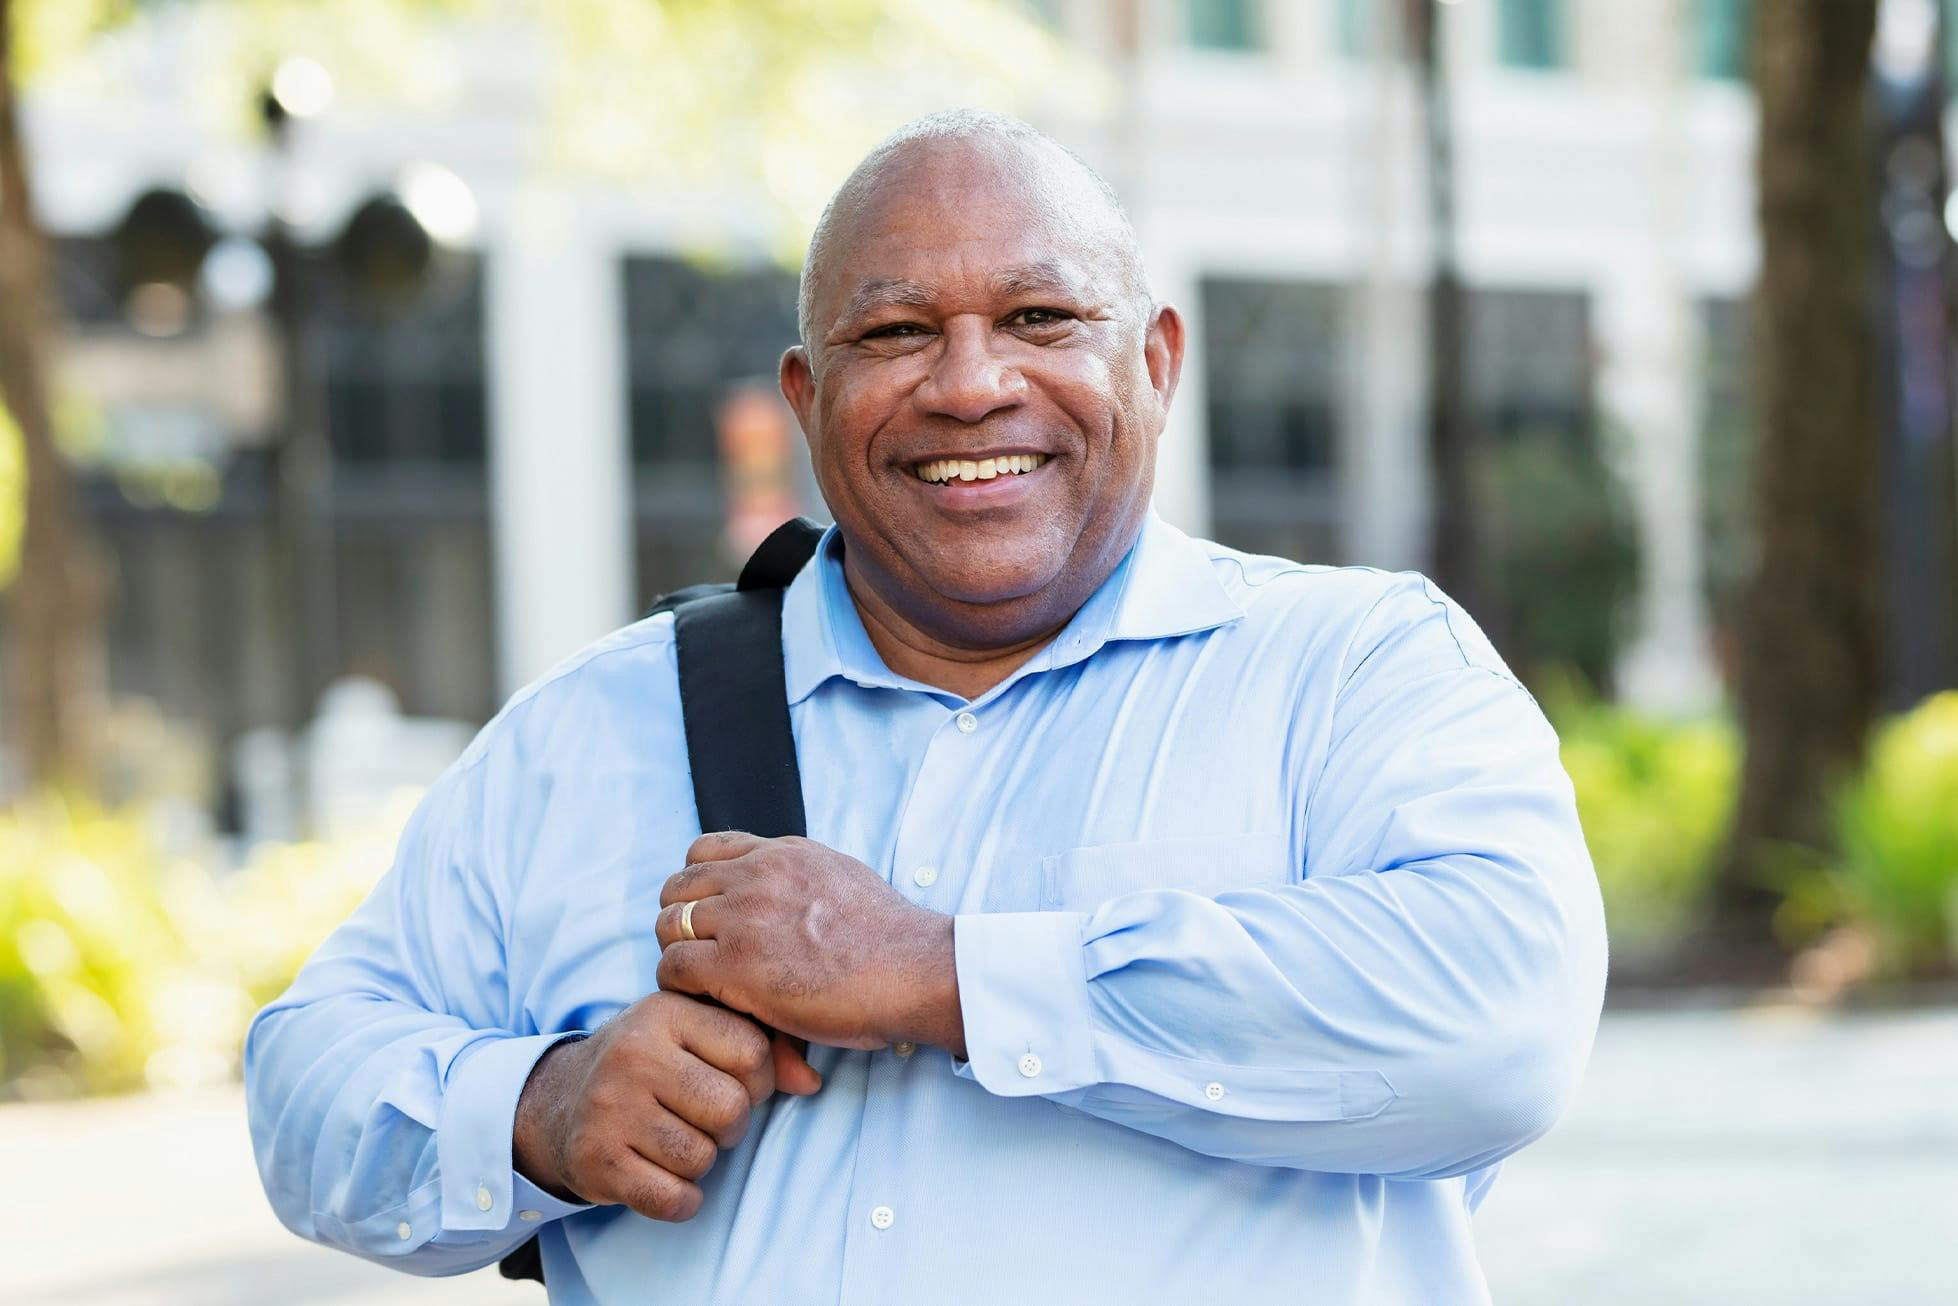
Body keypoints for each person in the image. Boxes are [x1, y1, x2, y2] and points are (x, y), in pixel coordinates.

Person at [245, 109, 1606, 1305]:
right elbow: (308, 1079)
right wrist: (535, 1109)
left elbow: (1496, 1020)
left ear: (1157, 361)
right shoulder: (595, 729)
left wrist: (939, 971)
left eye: (1040, 318)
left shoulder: (1354, 668)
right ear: (808, 396)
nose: (968, 385)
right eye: (895, 331)